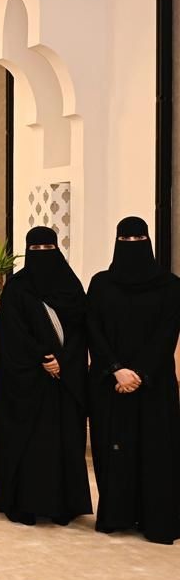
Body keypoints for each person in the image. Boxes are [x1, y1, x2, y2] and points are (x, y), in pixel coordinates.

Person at [0, 226, 91, 526]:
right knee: (28, 443)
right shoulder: (17, 288)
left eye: (48, 249)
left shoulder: (71, 287)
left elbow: (82, 331)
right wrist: (44, 358)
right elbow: (11, 335)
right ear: (27, 251)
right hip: (26, 384)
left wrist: (63, 362)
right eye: (36, 250)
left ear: (57, 250)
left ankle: (62, 506)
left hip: (63, 383)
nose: (42, 255)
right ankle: (24, 504)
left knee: (62, 443)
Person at [87, 216, 180, 545]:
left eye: (137, 242)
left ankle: (156, 519)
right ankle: (116, 514)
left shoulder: (171, 286)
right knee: (113, 449)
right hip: (110, 384)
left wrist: (137, 373)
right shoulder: (101, 284)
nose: (131, 248)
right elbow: (93, 329)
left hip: (154, 386)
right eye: (125, 242)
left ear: (148, 242)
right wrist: (116, 369)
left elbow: (167, 335)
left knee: (156, 450)